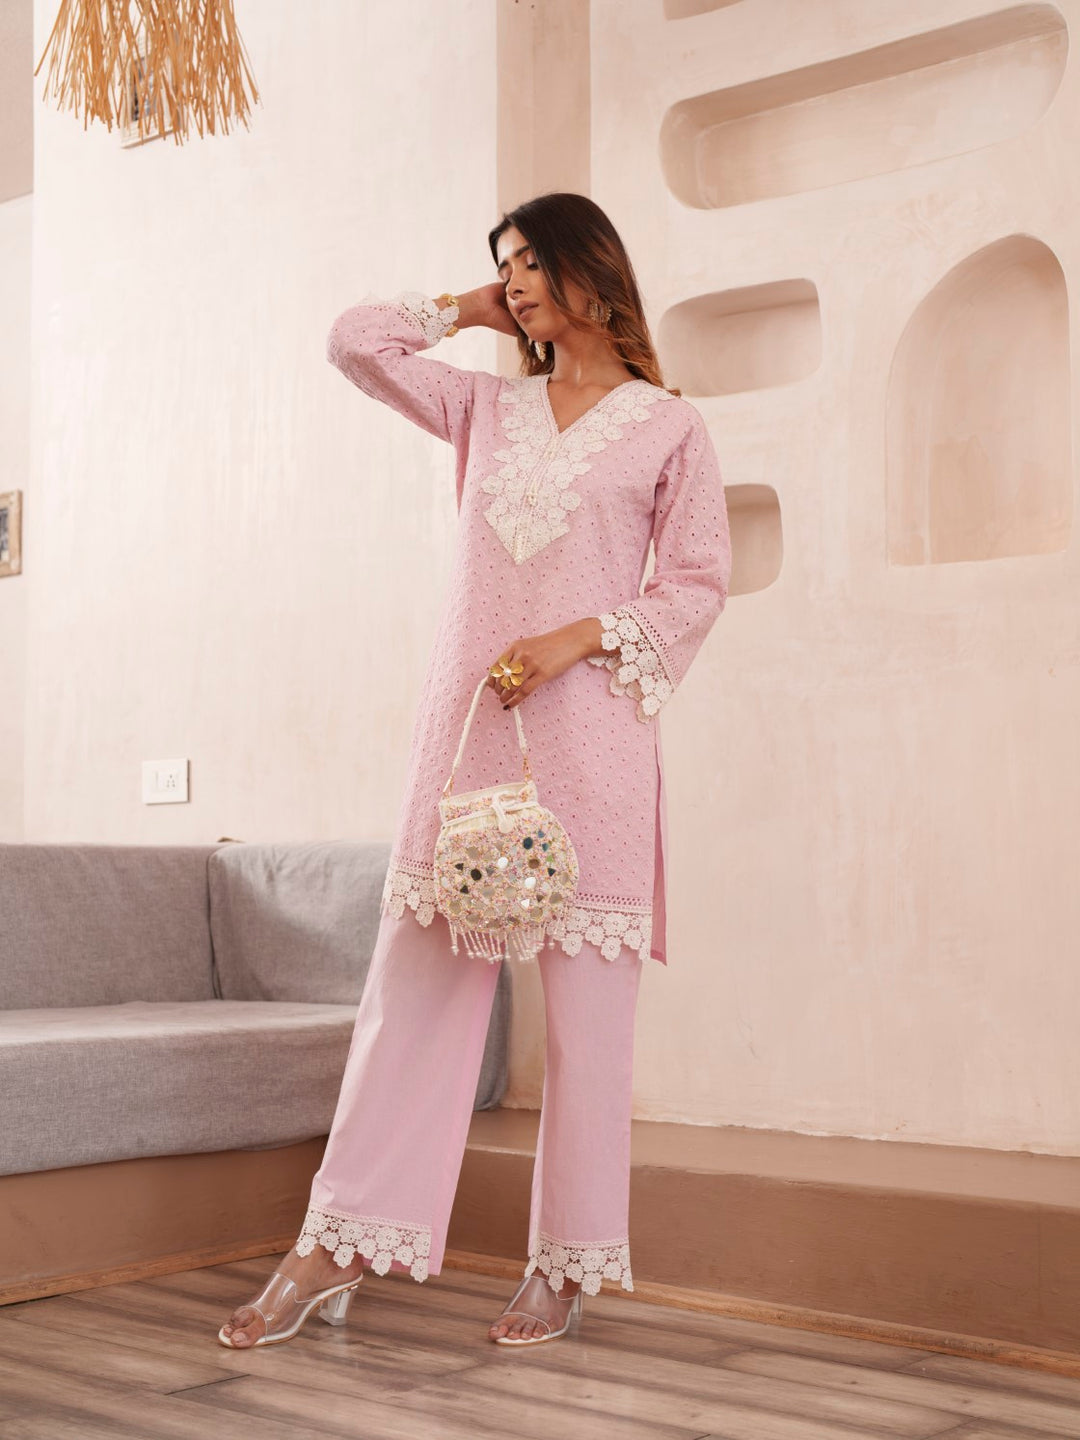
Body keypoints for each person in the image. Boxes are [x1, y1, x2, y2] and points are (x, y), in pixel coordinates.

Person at [217, 191, 732, 1349]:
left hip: (594, 739)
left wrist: (576, 638)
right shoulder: (485, 408)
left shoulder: (670, 429)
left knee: (590, 1024)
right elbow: (356, 341)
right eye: (507, 265)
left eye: (534, 260)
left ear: (591, 267)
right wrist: (469, 308)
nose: (520, 280)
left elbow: (697, 582)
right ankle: (335, 1244)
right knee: (412, 993)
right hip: (470, 737)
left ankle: (565, 1265)